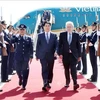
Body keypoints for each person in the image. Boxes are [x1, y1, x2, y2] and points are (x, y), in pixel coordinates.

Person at [58, 21, 81, 91]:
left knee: (73, 69)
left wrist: (79, 56)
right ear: (66, 28)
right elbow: (60, 45)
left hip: (73, 55)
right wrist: (60, 53)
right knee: (66, 69)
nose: (69, 28)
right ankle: (67, 81)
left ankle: (75, 83)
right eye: (67, 27)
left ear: (72, 27)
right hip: (65, 55)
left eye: (70, 27)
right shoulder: (62, 34)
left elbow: (78, 46)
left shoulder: (76, 35)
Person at [36, 22, 57, 92]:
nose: (47, 27)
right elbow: (38, 46)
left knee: (50, 69)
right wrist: (37, 55)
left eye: (48, 26)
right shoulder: (40, 35)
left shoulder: (54, 35)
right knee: (44, 68)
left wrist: (56, 51)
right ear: (43, 27)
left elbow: (56, 45)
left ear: (50, 27)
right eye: (46, 26)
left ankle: (48, 80)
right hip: (43, 55)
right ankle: (45, 82)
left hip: (51, 55)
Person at [11, 24, 33, 90]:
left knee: (25, 70)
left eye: (23, 30)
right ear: (19, 30)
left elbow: (31, 48)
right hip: (18, 57)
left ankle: (24, 84)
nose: (22, 31)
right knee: (18, 70)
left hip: (25, 57)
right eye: (21, 29)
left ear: (25, 30)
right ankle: (20, 77)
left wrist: (31, 56)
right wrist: (15, 34)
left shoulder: (29, 38)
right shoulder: (17, 37)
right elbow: (11, 41)